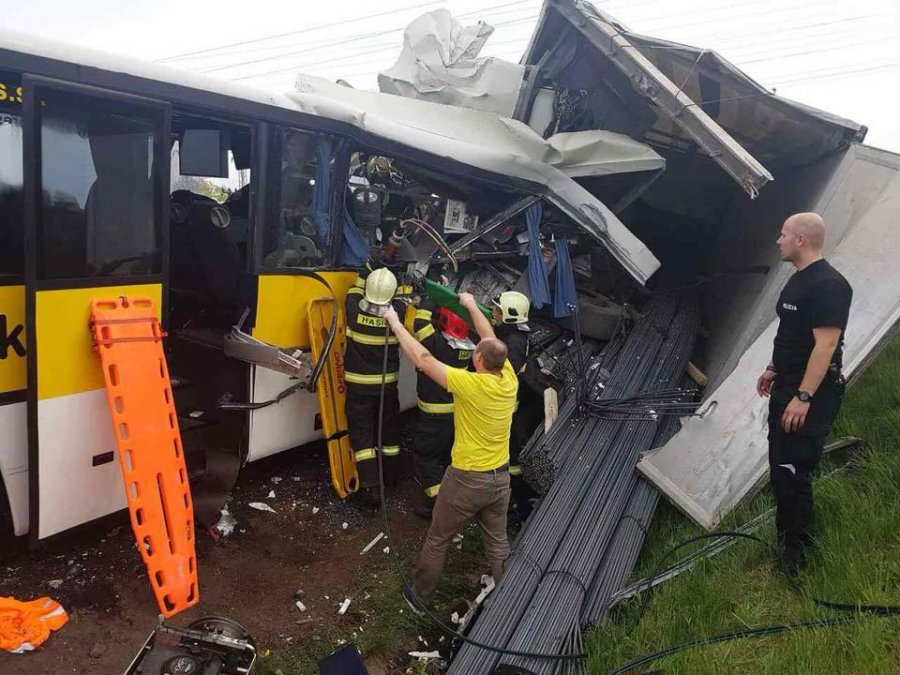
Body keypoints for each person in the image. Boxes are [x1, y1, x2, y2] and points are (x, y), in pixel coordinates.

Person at [382, 293, 518, 612]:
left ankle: (420, 598)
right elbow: (489, 336)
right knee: (498, 544)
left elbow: (423, 360)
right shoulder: (507, 378)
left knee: (438, 537)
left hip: (468, 480)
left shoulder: (471, 384)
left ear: (479, 361)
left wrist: (394, 322)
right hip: (500, 480)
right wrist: (470, 305)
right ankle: (512, 602)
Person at [756, 212, 852, 574]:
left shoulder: (828, 284)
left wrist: (804, 396)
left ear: (800, 240)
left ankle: (800, 557)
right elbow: (791, 334)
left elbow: (825, 346)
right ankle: (788, 540)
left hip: (810, 394)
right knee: (781, 469)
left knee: (794, 470)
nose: (778, 241)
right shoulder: (797, 281)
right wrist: (772, 368)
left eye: (783, 235)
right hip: (787, 385)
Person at [343, 264, 406, 503]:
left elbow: (353, 292)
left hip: (358, 386)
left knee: (362, 434)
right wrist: (395, 275)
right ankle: (391, 477)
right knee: (388, 430)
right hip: (387, 386)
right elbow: (399, 297)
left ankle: (370, 487)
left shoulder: (352, 310)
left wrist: (365, 270)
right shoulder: (396, 313)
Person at [410, 301, 475, 518]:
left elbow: (419, 324)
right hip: (455, 416)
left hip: (433, 417)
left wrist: (426, 304)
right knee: (445, 458)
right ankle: (452, 498)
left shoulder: (438, 345)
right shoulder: (467, 348)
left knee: (425, 458)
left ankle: (437, 505)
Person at [492, 291, 541, 516]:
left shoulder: (514, 344)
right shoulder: (512, 335)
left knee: (512, 459)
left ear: (510, 316)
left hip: (510, 411)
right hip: (514, 407)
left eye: (498, 311)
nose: (494, 313)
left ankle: (520, 501)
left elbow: (501, 378)